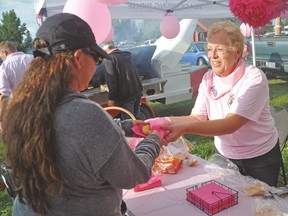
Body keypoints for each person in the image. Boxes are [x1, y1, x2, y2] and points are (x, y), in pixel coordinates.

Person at [2, 13, 166, 216]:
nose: (97, 66)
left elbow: (71, 141)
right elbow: (133, 175)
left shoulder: (22, 105)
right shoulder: (84, 114)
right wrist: (154, 141)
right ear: (78, 58)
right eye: (96, 58)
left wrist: (125, 127)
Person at [162, 21, 281, 187]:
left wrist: (183, 128)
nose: (212, 55)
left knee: (260, 207)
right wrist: (161, 123)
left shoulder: (253, 78)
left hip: (259, 158)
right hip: (225, 154)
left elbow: (231, 124)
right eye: (209, 49)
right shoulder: (208, 78)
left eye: (219, 49)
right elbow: (197, 117)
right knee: (229, 204)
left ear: (237, 52)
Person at [102, 41, 143, 120]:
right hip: (137, 91)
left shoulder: (110, 59)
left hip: (125, 95)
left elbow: (112, 81)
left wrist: (111, 98)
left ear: (106, 50)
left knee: (129, 122)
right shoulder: (126, 55)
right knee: (137, 119)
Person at [0, 41, 33, 122]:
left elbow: (4, 94)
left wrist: (1, 116)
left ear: (4, 52)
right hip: (37, 105)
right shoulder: (32, 58)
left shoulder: (4, 67)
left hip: (17, 107)